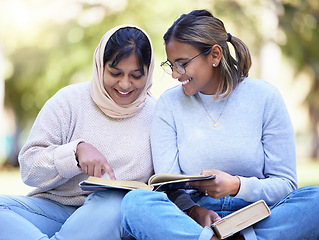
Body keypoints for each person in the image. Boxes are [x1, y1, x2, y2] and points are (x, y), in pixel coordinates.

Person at [120, 10, 319, 240]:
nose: (175, 74)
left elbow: (285, 185)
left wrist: (236, 186)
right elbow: (168, 185)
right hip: (194, 220)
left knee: (315, 201)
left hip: (257, 214)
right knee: (135, 203)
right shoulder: (168, 104)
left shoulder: (265, 97)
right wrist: (195, 211)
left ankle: (238, 236)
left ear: (215, 55)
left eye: (182, 64)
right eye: (171, 64)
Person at [0, 24, 155, 240]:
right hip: (53, 211)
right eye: (115, 73)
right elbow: (29, 169)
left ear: (148, 73)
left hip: (109, 217)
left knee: (116, 201)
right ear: (101, 65)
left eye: (136, 75)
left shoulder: (158, 116)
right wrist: (75, 153)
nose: (125, 84)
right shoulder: (69, 101)